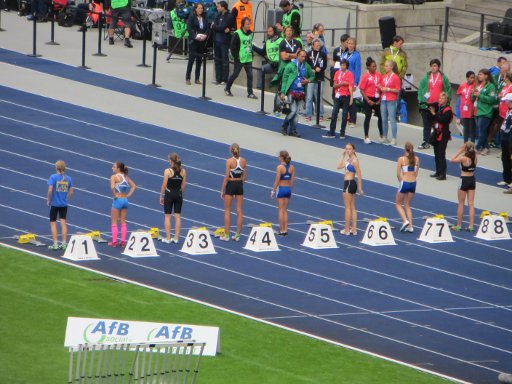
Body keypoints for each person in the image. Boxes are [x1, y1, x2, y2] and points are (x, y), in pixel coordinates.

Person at [279, 49, 314, 137]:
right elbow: (284, 79)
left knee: (296, 113)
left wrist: (308, 80)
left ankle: (292, 131)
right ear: (297, 56)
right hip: (291, 91)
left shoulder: (306, 66)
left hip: (301, 92)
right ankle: (284, 126)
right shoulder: (290, 65)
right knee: (293, 111)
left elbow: (313, 75)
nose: (303, 58)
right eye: (302, 56)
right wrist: (283, 92)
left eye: (304, 56)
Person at [417, 59, 451, 150]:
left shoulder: (443, 77)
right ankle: (426, 141)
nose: (433, 67)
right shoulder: (426, 77)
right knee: (426, 124)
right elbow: (420, 89)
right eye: (431, 65)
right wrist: (420, 100)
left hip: (438, 104)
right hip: (427, 103)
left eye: (435, 66)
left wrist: (447, 102)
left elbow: (448, 89)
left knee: (437, 124)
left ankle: (438, 140)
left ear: (439, 67)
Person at [224, 17, 258, 99]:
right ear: (243, 24)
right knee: (235, 74)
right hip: (240, 58)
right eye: (247, 24)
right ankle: (227, 88)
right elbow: (232, 46)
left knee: (250, 75)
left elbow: (250, 44)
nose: (248, 25)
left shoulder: (250, 33)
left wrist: (252, 53)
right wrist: (236, 56)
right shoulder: (237, 33)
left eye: (249, 24)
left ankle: (250, 93)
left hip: (248, 58)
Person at [220, 143, 247, 241]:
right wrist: (240, 184)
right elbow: (244, 176)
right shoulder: (243, 161)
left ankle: (227, 235)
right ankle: (238, 235)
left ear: (231, 150)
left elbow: (226, 177)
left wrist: (222, 190)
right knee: (239, 211)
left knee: (227, 210)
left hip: (231, 185)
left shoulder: (229, 161)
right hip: (239, 184)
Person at [159, 153, 187, 244]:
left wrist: (161, 196)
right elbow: (183, 185)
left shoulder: (167, 171)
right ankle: (176, 238)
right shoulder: (183, 171)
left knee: (167, 216)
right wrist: (180, 193)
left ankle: (168, 238)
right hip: (178, 194)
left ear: (171, 161)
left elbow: (164, 185)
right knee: (178, 216)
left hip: (169, 194)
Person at [450, 142, 477, 231]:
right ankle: (471, 226)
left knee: (461, 203)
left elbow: (452, 160)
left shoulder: (463, 159)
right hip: (472, 180)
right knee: (471, 204)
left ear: (465, 149)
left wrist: (459, 151)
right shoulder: (475, 158)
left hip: (464, 180)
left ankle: (459, 225)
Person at [323, 58, 353, 139]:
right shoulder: (337, 73)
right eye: (341, 65)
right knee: (334, 113)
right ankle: (332, 132)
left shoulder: (350, 74)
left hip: (346, 96)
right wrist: (342, 84)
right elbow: (334, 85)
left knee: (344, 115)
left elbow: (350, 86)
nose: (342, 67)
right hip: (338, 95)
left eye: (344, 65)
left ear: (347, 66)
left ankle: (342, 132)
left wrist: (351, 98)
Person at [47, 160, 74, 251]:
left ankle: (55, 244)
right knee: (63, 224)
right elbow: (71, 191)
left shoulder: (53, 177)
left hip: (54, 204)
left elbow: (50, 190)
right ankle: (64, 244)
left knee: (53, 223)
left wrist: (49, 200)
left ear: (56, 167)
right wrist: (67, 198)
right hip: (63, 204)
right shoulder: (68, 178)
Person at [337, 143, 363, 236]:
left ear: (354, 150)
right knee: (352, 206)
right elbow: (338, 166)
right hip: (351, 184)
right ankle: (354, 229)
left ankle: (347, 229)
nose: (348, 150)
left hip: (349, 183)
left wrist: (360, 188)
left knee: (347, 207)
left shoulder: (354, 161)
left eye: (349, 149)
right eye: (346, 149)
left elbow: (359, 174)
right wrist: (343, 156)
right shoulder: (349, 159)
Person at [109, 162, 136, 247]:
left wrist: (114, 196)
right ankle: (123, 241)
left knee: (114, 221)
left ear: (118, 169)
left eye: (114, 167)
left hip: (118, 199)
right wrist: (128, 195)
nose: (112, 168)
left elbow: (112, 187)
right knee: (123, 221)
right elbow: (134, 186)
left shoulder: (114, 177)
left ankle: (114, 242)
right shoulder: (125, 177)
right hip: (125, 200)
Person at [472, 68, 498, 156]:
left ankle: (477, 147)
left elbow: (491, 99)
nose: (478, 76)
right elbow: (473, 98)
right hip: (477, 111)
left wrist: (480, 95)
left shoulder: (491, 86)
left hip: (485, 112)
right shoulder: (478, 85)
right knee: (482, 131)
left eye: (480, 74)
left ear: (486, 76)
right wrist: (473, 94)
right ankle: (486, 148)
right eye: (478, 74)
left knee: (481, 131)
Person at [428, 92, 453, 181]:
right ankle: (438, 171)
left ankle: (443, 174)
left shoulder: (448, 110)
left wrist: (434, 114)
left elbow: (443, 120)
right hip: (436, 132)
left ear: (446, 100)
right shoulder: (437, 108)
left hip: (443, 134)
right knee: (436, 153)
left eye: (442, 99)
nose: (440, 100)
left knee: (441, 154)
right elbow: (432, 118)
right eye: (440, 98)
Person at [395, 142, 419, 233]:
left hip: (404, 182)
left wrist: (401, 182)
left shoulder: (401, 159)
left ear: (405, 149)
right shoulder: (416, 159)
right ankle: (411, 226)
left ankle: (405, 221)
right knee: (408, 205)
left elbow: (398, 174)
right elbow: (416, 174)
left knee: (398, 204)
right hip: (413, 183)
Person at [271, 150, 295, 236]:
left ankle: (281, 230)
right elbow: (292, 181)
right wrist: (289, 189)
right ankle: (285, 230)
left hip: (281, 189)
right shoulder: (292, 167)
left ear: (281, 157)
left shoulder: (280, 167)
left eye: (279, 156)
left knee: (280, 210)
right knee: (285, 210)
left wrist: (273, 190)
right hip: (288, 189)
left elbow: (277, 180)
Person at [359, 56, 383, 144]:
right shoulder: (365, 76)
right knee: (368, 117)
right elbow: (361, 89)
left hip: (377, 98)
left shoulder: (379, 75)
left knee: (380, 117)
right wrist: (368, 100)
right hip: (368, 98)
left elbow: (381, 87)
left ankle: (381, 135)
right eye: (373, 66)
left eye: (375, 66)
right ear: (368, 67)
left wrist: (380, 99)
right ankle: (366, 136)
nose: (375, 67)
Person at [186, 3, 209, 85]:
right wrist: (195, 36)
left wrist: (205, 35)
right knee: (191, 59)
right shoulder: (192, 17)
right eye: (199, 8)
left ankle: (197, 78)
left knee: (199, 60)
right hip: (194, 41)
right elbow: (189, 28)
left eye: (202, 8)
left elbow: (207, 28)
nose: (200, 10)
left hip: (202, 41)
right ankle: (188, 78)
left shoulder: (204, 17)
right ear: (195, 9)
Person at [211, 1, 234, 85]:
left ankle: (225, 79)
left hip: (224, 42)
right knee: (217, 60)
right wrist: (216, 27)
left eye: (218, 7)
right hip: (216, 41)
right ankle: (218, 79)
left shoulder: (229, 16)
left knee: (224, 61)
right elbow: (214, 26)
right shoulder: (218, 15)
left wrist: (215, 27)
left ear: (223, 7)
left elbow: (221, 27)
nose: (217, 8)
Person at [378, 60, 401, 145]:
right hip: (383, 99)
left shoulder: (395, 77)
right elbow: (379, 84)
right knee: (384, 119)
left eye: (387, 66)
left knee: (392, 120)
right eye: (385, 66)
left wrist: (388, 89)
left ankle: (394, 138)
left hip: (391, 100)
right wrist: (380, 87)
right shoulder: (384, 76)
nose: (385, 67)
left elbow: (398, 90)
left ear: (391, 67)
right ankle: (385, 137)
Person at [253, 25, 282, 90]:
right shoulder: (268, 42)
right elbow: (263, 52)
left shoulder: (281, 40)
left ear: (274, 31)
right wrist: (253, 47)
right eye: (268, 31)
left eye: (270, 31)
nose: (268, 33)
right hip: (271, 64)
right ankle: (259, 88)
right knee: (261, 69)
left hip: (280, 63)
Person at [341, 37, 362, 129]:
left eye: (352, 44)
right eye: (349, 43)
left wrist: (356, 83)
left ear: (354, 45)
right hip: (344, 80)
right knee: (345, 99)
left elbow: (358, 70)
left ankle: (353, 120)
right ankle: (347, 118)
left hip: (352, 80)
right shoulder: (344, 54)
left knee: (352, 101)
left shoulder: (356, 55)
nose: (350, 45)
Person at [305, 38, 327, 121]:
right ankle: (308, 114)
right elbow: (306, 65)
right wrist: (313, 69)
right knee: (309, 97)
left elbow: (324, 66)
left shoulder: (323, 54)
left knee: (319, 97)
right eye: (316, 45)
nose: (318, 47)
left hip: (320, 78)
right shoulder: (308, 54)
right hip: (311, 78)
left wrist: (320, 69)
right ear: (313, 45)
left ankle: (320, 114)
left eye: (319, 45)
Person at [455, 71, 476, 143]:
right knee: (465, 128)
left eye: (473, 78)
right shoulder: (462, 86)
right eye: (471, 78)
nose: (473, 79)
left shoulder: (475, 86)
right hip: (464, 110)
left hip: (471, 110)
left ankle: (472, 144)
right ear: (467, 78)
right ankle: (465, 143)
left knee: (472, 128)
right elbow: (459, 95)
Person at [499, 93, 512, 191]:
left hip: (510, 139)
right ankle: (507, 179)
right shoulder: (508, 111)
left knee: (510, 159)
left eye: (507, 101)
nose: (505, 102)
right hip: (505, 138)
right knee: (505, 159)